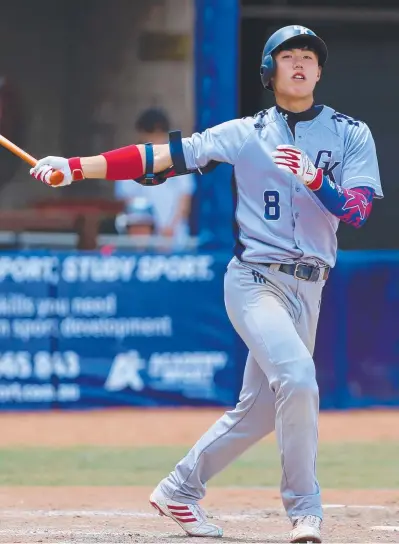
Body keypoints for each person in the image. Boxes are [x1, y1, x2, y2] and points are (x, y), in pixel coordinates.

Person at [30, 25, 382, 544]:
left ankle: (179, 489)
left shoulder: (352, 133)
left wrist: (315, 181)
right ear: (270, 72)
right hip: (256, 279)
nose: (302, 63)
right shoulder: (246, 133)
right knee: (300, 381)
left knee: (260, 411)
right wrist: (76, 168)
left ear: (320, 71)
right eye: (289, 56)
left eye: (310, 56)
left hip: (311, 286)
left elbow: (358, 212)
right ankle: (306, 511)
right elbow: (159, 158)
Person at [114, 108, 195, 251]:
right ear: (141, 134)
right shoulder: (128, 162)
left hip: (176, 239)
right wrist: (149, 232)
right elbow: (128, 202)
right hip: (142, 242)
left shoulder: (180, 159)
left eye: (160, 134)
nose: (156, 140)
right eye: (151, 134)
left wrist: (169, 230)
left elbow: (184, 201)